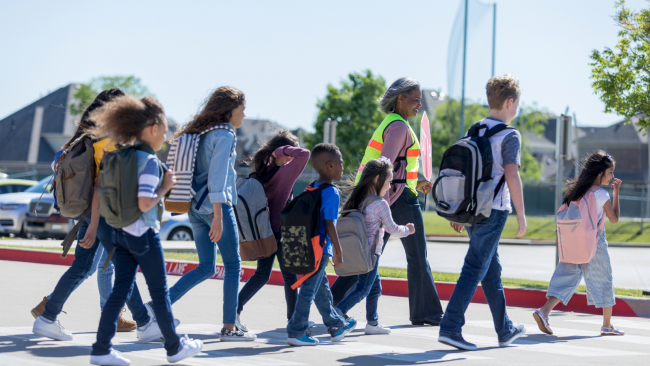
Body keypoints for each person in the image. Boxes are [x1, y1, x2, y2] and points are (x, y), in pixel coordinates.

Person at [88, 95, 202, 365]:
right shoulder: (150, 162)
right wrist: (165, 186)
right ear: (152, 128)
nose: (164, 137)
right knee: (160, 293)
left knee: (119, 291)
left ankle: (101, 349)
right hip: (143, 234)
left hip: (119, 234)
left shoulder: (117, 156)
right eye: (164, 132)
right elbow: (144, 201)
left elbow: (102, 190)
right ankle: (174, 347)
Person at [31, 88, 152, 342]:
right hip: (102, 214)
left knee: (83, 267)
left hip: (90, 213)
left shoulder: (88, 136)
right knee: (121, 266)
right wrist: (96, 223)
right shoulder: (109, 140)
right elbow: (102, 185)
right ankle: (145, 322)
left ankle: (47, 316)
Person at [331, 77, 444, 326]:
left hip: (394, 194)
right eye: (415, 100)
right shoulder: (400, 127)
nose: (418, 105)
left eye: (420, 101)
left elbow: (397, 167)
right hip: (397, 198)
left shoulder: (392, 123)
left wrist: (419, 180)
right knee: (416, 256)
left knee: (366, 254)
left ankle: (332, 303)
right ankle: (427, 311)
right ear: (400, 98)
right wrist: (380, 202)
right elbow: (385, 165)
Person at [154, 86, 256, 341]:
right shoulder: (224, 134)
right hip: (215, 209)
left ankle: (155, 309)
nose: (244, 114)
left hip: (195, 208)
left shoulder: (198, 132)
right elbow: (218, 178)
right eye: (242, 109)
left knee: (206, 267)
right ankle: (229, 327)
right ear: (229, 109)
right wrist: (220, 217)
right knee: (233, 265)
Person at [438, 74, 527, 351]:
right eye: (517, 104)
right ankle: (451, 327)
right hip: (495, 209)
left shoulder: (474, 129)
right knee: (476, 266)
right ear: (510, 102)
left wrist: (458, 210)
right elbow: (512, 174)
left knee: (490, 270)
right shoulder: (510, 135)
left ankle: (505, 329)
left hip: (472, 210)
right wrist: (521, 215)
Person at [533, 151, 623, 336]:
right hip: (594, 242)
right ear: (600, 173)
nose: (612, 176)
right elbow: (614, 219)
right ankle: (607, 325)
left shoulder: (578, 191)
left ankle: (544, 311)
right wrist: (616, 192)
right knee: (604, 278)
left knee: (567, 276)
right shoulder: (600, 194)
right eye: (610, 172)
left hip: (575, 242)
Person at [236, 130, 309, 331]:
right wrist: (281, 150)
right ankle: (294, 320)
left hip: (265, 231)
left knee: (262, 275)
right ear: (284, 151)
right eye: (289, 151)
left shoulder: (265, 168)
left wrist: (276, 152)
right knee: (290, 277)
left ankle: (235, 309)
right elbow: (305, 154)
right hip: (282, 231)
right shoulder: (286, 171)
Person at [286, 143, 356, 346]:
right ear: (329, 166)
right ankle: (296, 330)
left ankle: (335, 325)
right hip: (320, 248)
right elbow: (329, 224)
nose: (343, 167)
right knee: (309, 290)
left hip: (307, 245)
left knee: (321, 288)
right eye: (340, 163)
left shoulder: (312, 188)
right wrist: (338, 252)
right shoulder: (332, 192)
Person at [335, 157, 414, 335]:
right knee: (363, 288)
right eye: (388, 181)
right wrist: (408, 229)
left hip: (360, 251)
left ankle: (372, 323)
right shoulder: (380, 204)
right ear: (378, 179)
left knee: (375, 287)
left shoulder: (359, 200)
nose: (390, 186)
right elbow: (392, 229)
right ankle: (337, 314)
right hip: (371, 253)